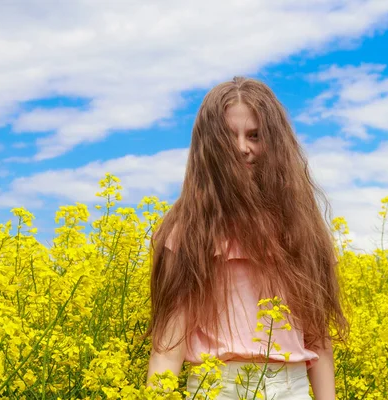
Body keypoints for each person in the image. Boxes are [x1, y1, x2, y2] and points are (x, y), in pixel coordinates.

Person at [145, 76, 349, 399]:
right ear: (209, 146)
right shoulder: (187, 230)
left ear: (275, 143)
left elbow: (318, 342)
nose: (242, 148)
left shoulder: (301, 228)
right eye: (229, 137)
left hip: (291, 389)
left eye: (254, 135)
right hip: (217, 390)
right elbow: (168, 350)